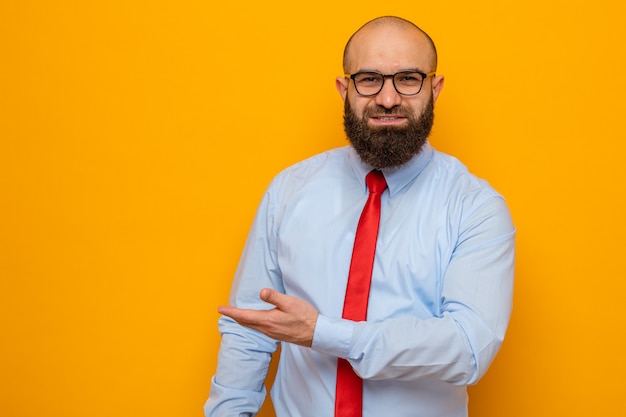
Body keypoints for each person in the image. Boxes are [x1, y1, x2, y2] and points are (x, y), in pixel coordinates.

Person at [204, 16, 515, 417]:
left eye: (408, 79)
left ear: (434, 90)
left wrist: (326, 334)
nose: (387, 99)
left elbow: (469, 347)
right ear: (344, 89)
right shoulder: (289, 190)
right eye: (369, 79)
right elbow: (248, 330)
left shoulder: (475, 207)